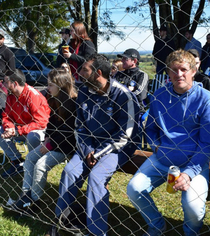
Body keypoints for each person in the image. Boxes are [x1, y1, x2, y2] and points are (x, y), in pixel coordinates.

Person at [127, 49, 210, 236]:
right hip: (162, 158)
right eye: (174, 70)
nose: (179, 74)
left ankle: (191, 232)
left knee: (192, 206)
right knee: (134, 189)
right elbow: (150, 129)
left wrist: (190, 174)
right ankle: (157, 226)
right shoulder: (159, 96)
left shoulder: (206, 99)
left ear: (193, 70)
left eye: (184, 69)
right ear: (168, 72)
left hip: (193, 162)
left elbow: (207, 144)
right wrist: (157, 147)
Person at [53, 54, 139, 236]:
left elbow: (125, 135)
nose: (80, 72)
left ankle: (96, 232)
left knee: (96, 178)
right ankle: (60, 221)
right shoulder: (84, 91)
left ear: (98, 73)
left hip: (117, 148)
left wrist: (98, 154)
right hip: (89, 146)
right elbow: (80, 126)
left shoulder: (122, 95)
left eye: (85, 69)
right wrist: (87, 150)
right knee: (69, 172)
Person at [14, 69, 77, 212]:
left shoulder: (72, 103)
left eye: (50, 85)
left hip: (66, 147)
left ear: (60, 85)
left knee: (41, 165)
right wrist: (47, 138)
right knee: (30, 158)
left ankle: (35, 201)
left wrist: (50, 145)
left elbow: (69, 132)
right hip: (52, 142)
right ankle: (25, 194)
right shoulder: (53, 99)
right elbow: (51, 123)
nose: (47, 88)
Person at [0, 69, 50, 178]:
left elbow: (41, 122)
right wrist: (9, 128)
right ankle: (17, 162)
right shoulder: (11, 95)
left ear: (15, 84)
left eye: (5, 82)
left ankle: (34, 165)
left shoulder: (33, 95)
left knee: (33, 136)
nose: (3, 84)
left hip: (37, 131)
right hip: (19, 130)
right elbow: (6, 116)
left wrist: (18, 131)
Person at [115, 48, 149, 113]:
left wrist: (120, 97)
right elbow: (111, 90)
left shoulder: (142, 75)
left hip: (135, 109)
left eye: (125, 59)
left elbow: (139, 95)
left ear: (134, 61)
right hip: (116, 108)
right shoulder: (119, 74)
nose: (122, 61)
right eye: (122, 58)